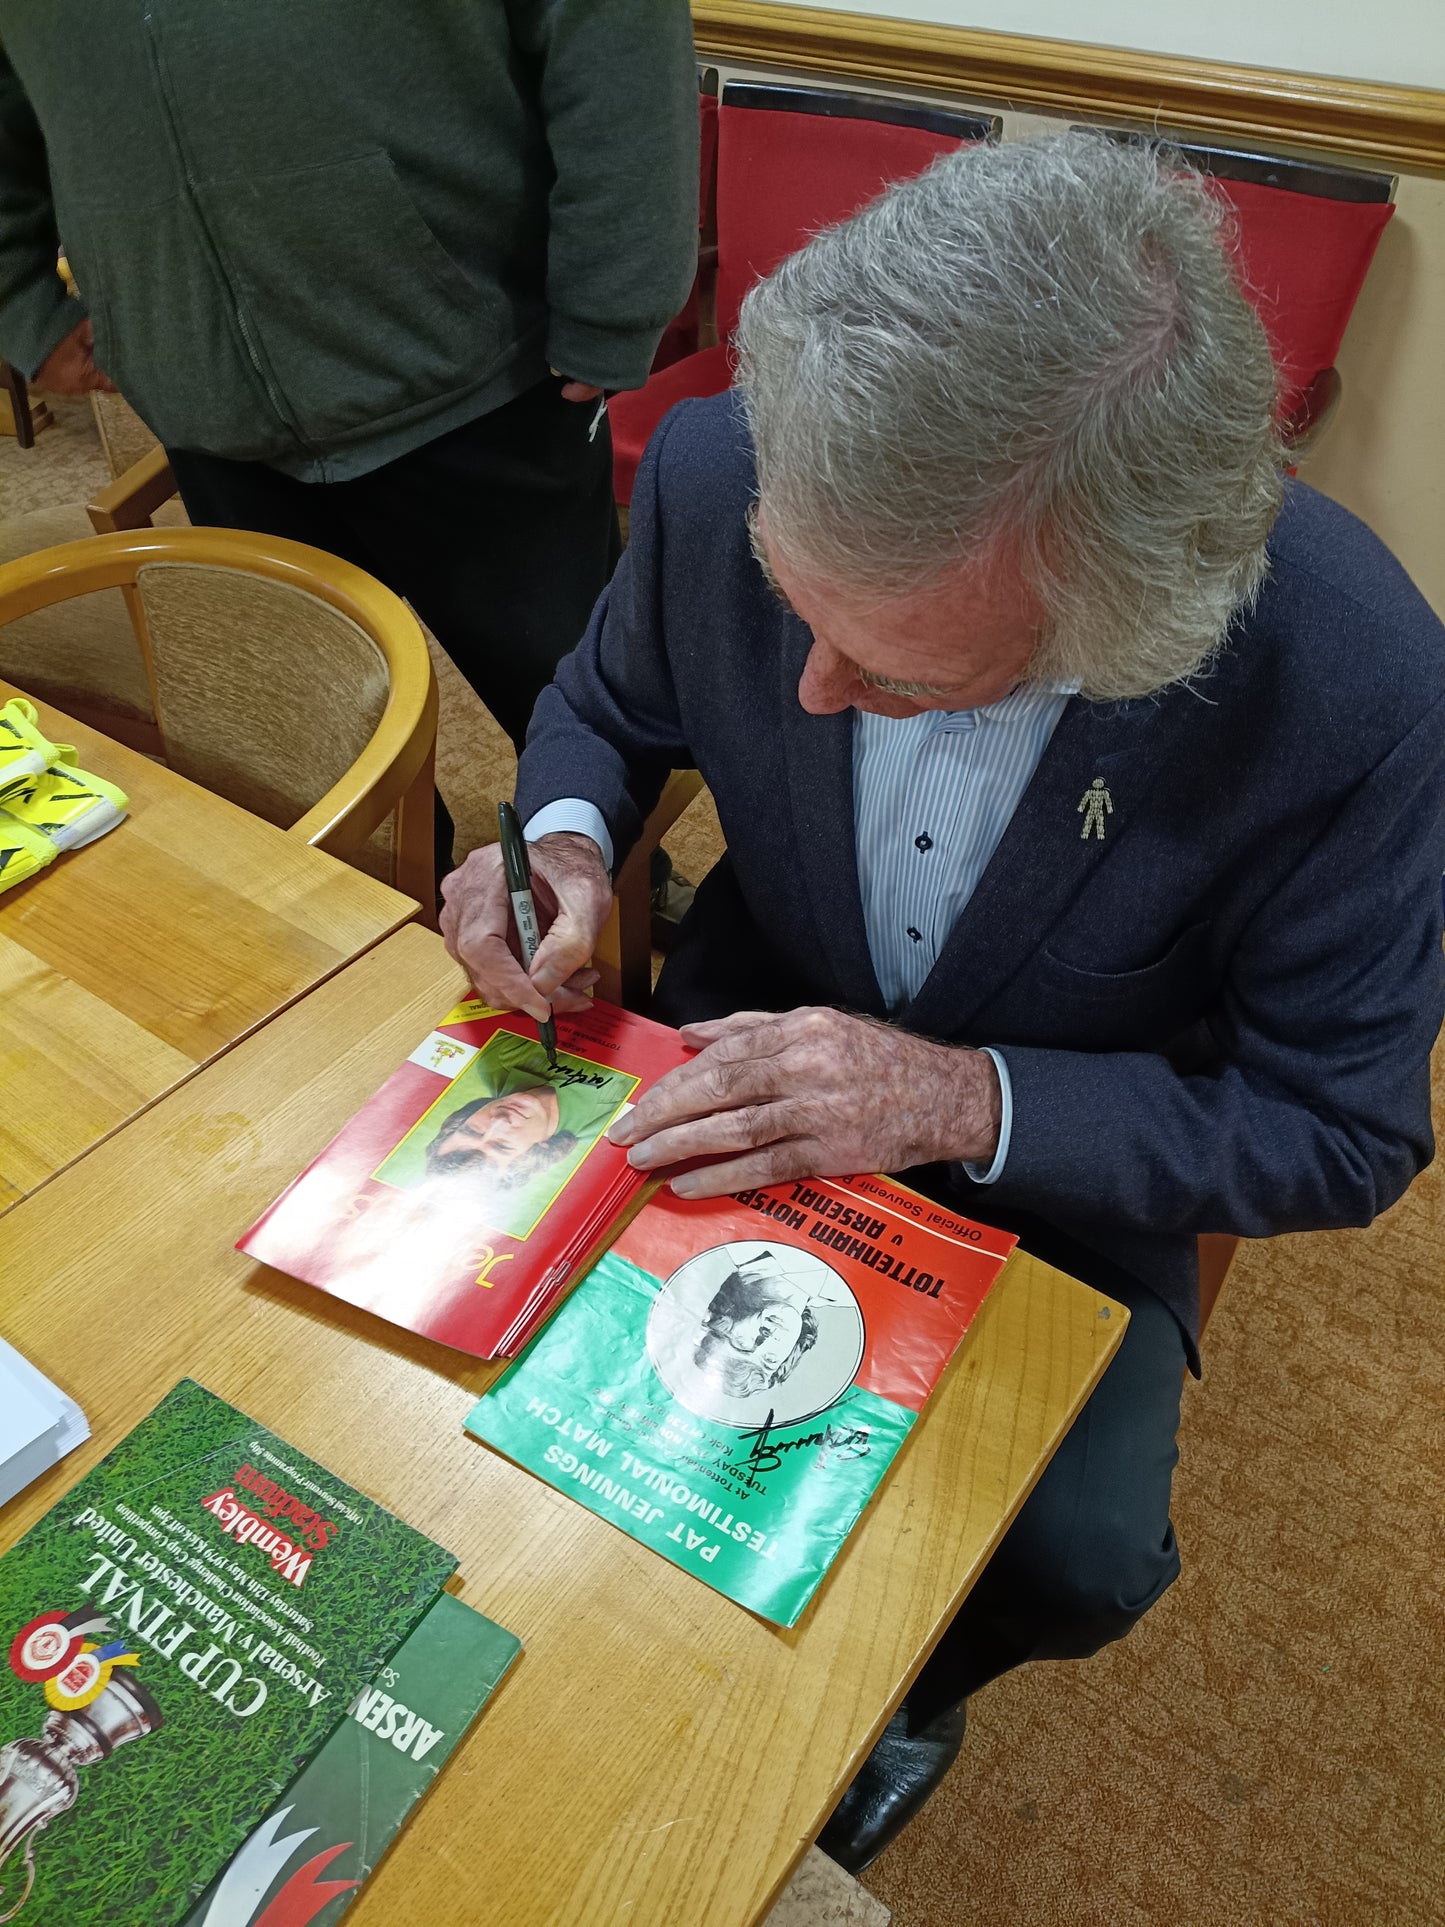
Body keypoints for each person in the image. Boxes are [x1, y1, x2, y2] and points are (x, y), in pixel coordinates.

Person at [441, 129, 1445, 1869]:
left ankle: (905, 1689)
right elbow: (609, 699)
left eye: (901, 670)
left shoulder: (1355, 690)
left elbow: (1342, 1132)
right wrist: (571, 846)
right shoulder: (718, 468)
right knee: (506, 1333)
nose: (812, 689)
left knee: (1078, 1555)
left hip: (1070, 1144)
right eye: (793, 606)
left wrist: (957, 1098)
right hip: (751, 1018)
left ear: (1119, 629)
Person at [0, 1, 699, 862]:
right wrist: (22, 301)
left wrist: (615, 299)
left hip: (485, 367)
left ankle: (620, 897)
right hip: (207, 402)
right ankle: (404, 911)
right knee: (314, 741)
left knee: (569, 697)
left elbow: (611, 29)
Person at [694, 1258, 819, 1399]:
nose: (765, 1341)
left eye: (742, 1343)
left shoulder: (750, 1250)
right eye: (770, 1360)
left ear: (725, 1319)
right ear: (790, 1355)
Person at [424, 1088, 578, 1189]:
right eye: (502, 1146)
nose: (500, 1122)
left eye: (472, 1130)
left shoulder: (497, 1057)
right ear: (539, 1149)